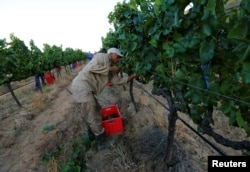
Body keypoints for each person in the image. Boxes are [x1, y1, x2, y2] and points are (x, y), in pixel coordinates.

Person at [71, 47, 136, 150]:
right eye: (117, 57)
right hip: (82, 87)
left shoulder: (109, 66)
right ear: (112, 54)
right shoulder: (101, 57)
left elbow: (117, 81)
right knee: (92, 114)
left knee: (96, 110)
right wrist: (110, 69)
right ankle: (101, 142)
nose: (118, 59)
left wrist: (133, 76)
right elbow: (91, 67)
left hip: (87, 89)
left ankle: (92, 135)